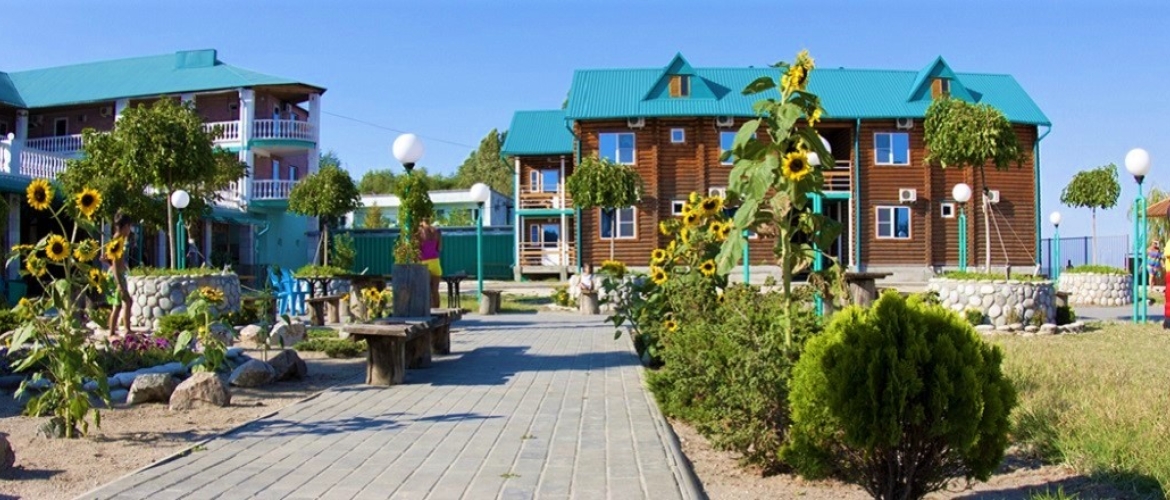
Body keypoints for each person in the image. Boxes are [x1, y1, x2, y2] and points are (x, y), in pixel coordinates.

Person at [105, 213, 134, 337]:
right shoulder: (117, 241)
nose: (130, 230)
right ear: (126, 226)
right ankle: (113, 332)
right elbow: (115, 264)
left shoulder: (119, 239)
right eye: (129, 227)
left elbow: (110, 258)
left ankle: (126, 328)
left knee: (126, 301)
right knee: (119, 304)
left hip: (119, 273)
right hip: (116, 275)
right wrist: (119, 284)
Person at [417, 219, 443, 308]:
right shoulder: (437, 231)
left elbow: (418, 250)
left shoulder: (420, 232)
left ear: (422, 221)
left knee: (426, 290)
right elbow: (439, 248)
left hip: (424, 263)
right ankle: (438, 311)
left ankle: (429, 311)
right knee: (435, 291)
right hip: (435, 262)